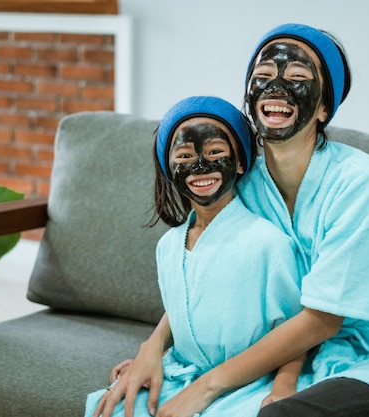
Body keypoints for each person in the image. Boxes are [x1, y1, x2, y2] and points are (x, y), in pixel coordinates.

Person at [147, 23, 369, 417]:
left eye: (299, 78)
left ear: (324, 108)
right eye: (263, 77)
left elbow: (322, 320)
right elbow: (204, 268)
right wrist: (150, 349)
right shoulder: (243, 182)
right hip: (317, 353)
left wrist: (205, 388)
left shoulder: (365, 186)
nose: (277, 89)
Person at [86, 96, 309, 417]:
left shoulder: (269, 245)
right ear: (170, 168)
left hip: (250, 382)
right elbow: (188, 316)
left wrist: (283, 388)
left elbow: (295, 333)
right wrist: (154, 357)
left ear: (241, 161)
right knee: (111, 407)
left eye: (216, 153)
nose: (201, 167)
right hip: (183, 373)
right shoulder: (168, 246)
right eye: (185, 156)